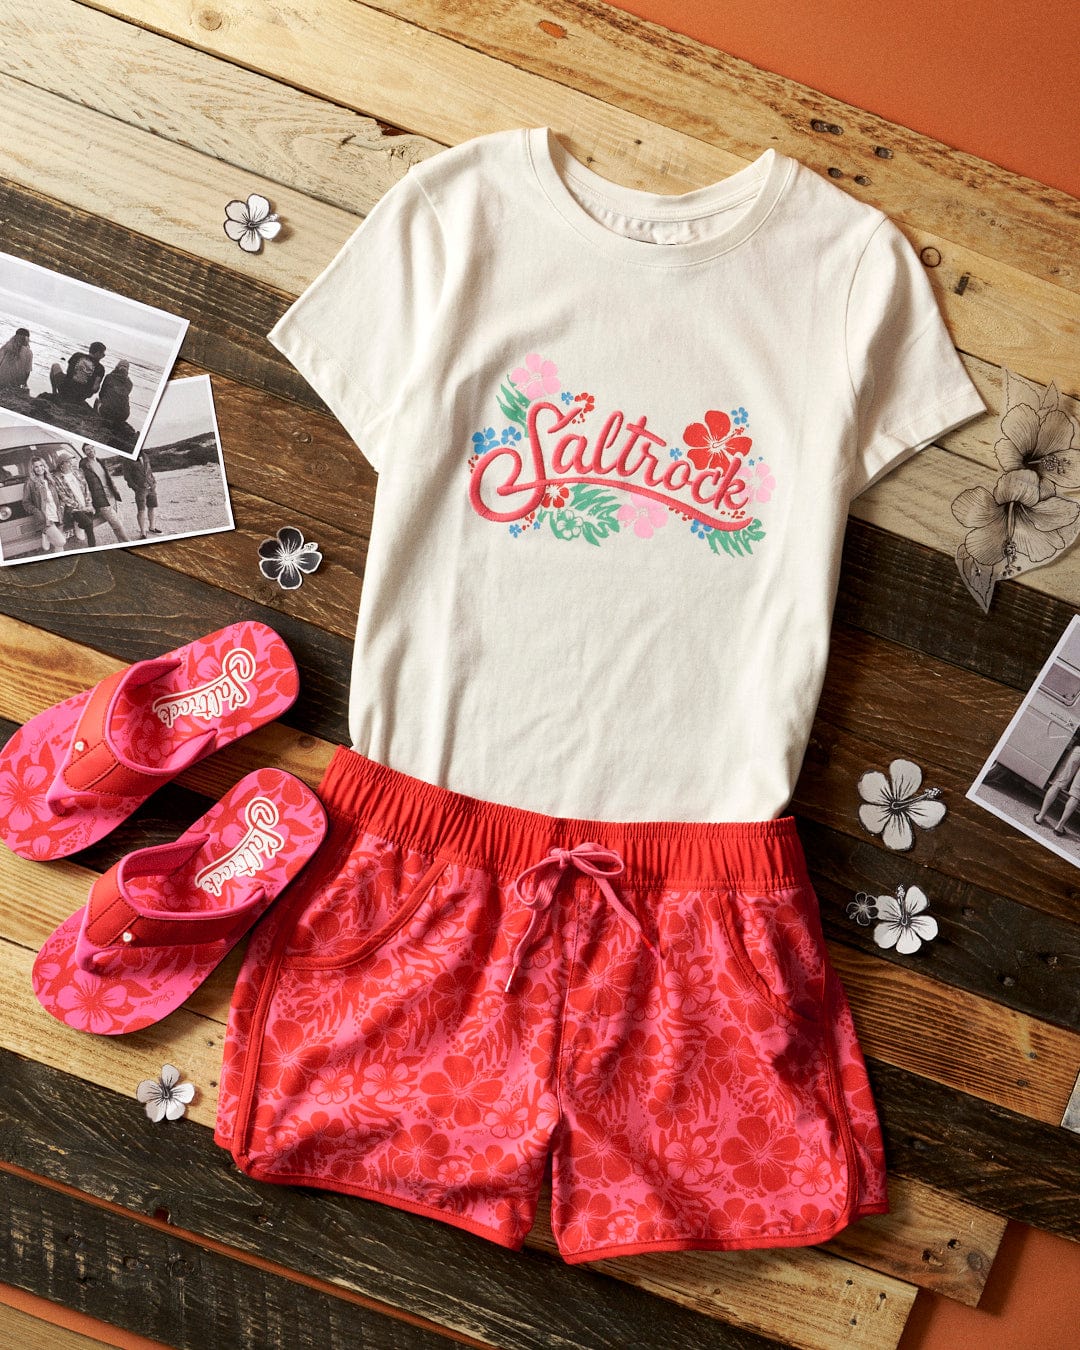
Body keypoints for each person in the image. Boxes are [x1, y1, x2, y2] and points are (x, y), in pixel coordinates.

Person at [78, 443, 129, 543]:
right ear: (84, 452)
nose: (91, 450)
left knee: (116, 522)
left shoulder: (100, 461)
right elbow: (83, 484)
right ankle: (128, 542)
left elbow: (108, 478)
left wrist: (115, 491)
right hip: (99, 498)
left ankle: (121, 542)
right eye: (88, 450)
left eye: (92, 448)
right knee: (117, 523)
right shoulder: (84, 465)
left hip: (110, 494)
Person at [50, 446, 96, 546]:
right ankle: (80, 526)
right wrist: (80, 507)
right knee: (88, 524)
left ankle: (79, 526)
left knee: (90, 524)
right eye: (68, 462)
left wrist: (88, 503)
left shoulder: (78, 472)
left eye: (71, 461)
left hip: (86, 504)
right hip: (73, 508)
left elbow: (86, 488)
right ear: (61, 465)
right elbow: (63, 496)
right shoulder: (57, 478)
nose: (71, 463)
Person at [21, 456, 67, 553]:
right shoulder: (30, 483)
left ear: (45, 466)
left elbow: (61, 495)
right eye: (36, 467)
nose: (39, 468)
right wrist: (37, 512)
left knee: (58, 546)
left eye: (41, 465)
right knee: (61, 541)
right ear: (32, 469)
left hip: (57, 515)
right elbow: (26, 503)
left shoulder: (51, 480)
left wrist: (62, 506)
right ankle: (45, 532)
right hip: (45, 518)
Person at [1034, 740, 1080, 836]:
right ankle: (1059, 827)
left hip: (1078, 750)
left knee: (1058, 783)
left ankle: (1040, 816)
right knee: (1076, 794)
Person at [119, 452, 160, 537]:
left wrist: (154, 481)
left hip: (151, 487)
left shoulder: (145, 455)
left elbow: (149, 470)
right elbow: (127, 477)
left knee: (152, 508)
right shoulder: (127, 460)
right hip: (140, 490)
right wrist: (136, 488)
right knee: (141, 510)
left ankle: (152, 528)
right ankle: (142, 532)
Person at [95, 359, 132, 428]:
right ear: (128, 370)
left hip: (106, 412)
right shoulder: (130, 383)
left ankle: (100, 414)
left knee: (97, 400)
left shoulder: (109, 377)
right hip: (123, 416)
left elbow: (101, 394)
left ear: (117, 367)